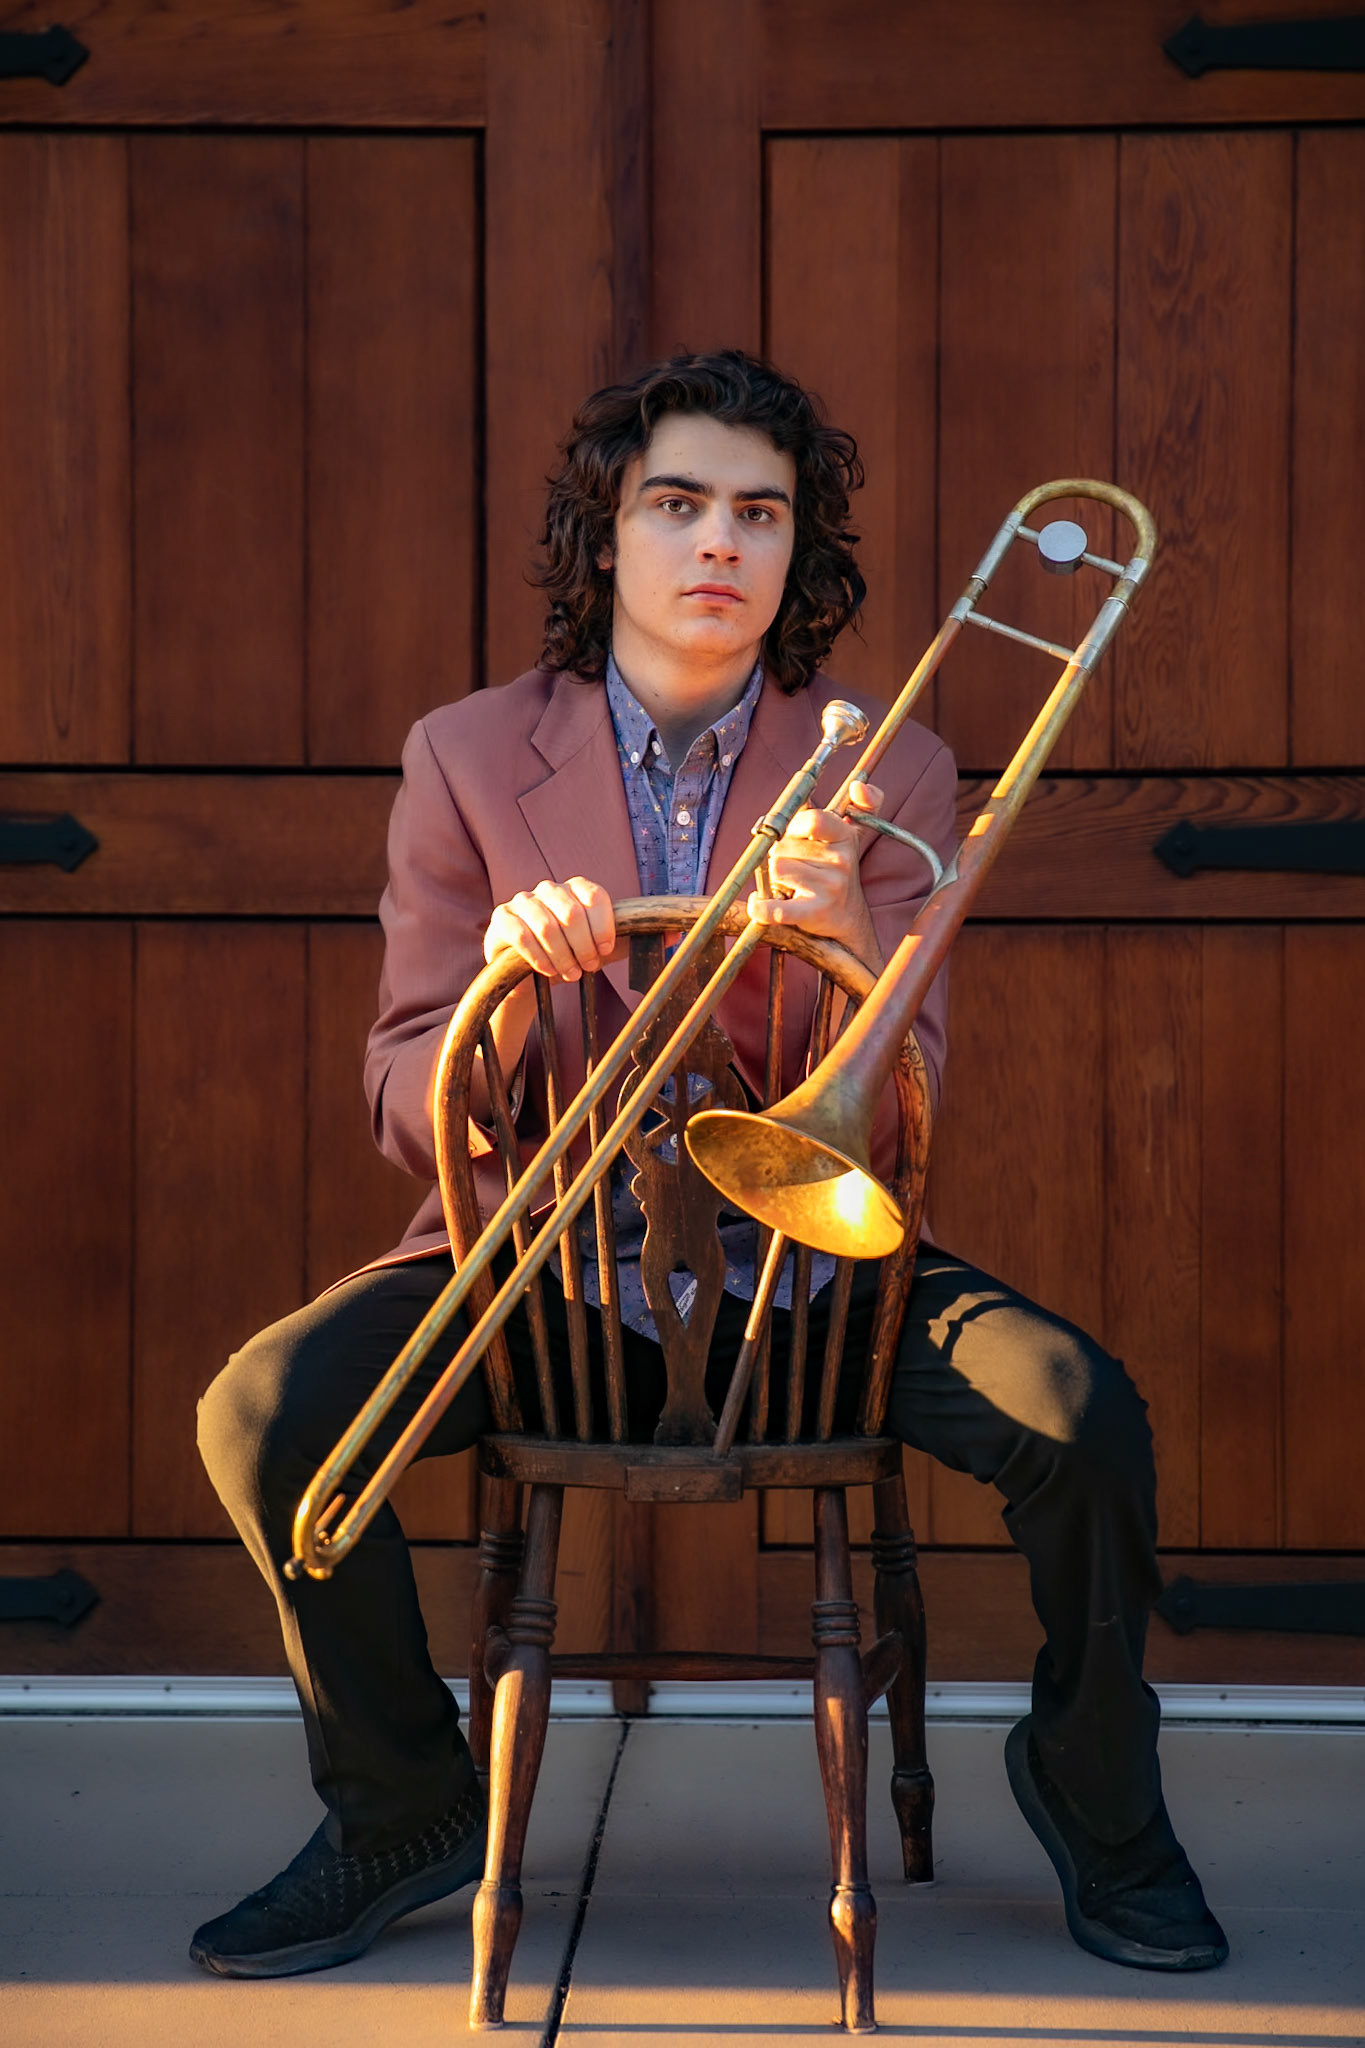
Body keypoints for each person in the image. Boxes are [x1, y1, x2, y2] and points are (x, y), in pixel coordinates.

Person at [191, 350, 1227, 1981]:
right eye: (674, 504)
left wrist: (851, 945)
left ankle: (1101, 1803)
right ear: (604, 535)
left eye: (759, 511)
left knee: (1080, 1419)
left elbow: (907, 1108)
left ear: (795, 546)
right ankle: (398, 1806)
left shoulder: (889, 764)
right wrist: (503, 996)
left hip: (811, 1273)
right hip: (547, 1265)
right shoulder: (466, 755)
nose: (717, 542)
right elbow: (401, 1087)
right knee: (262, 1416)